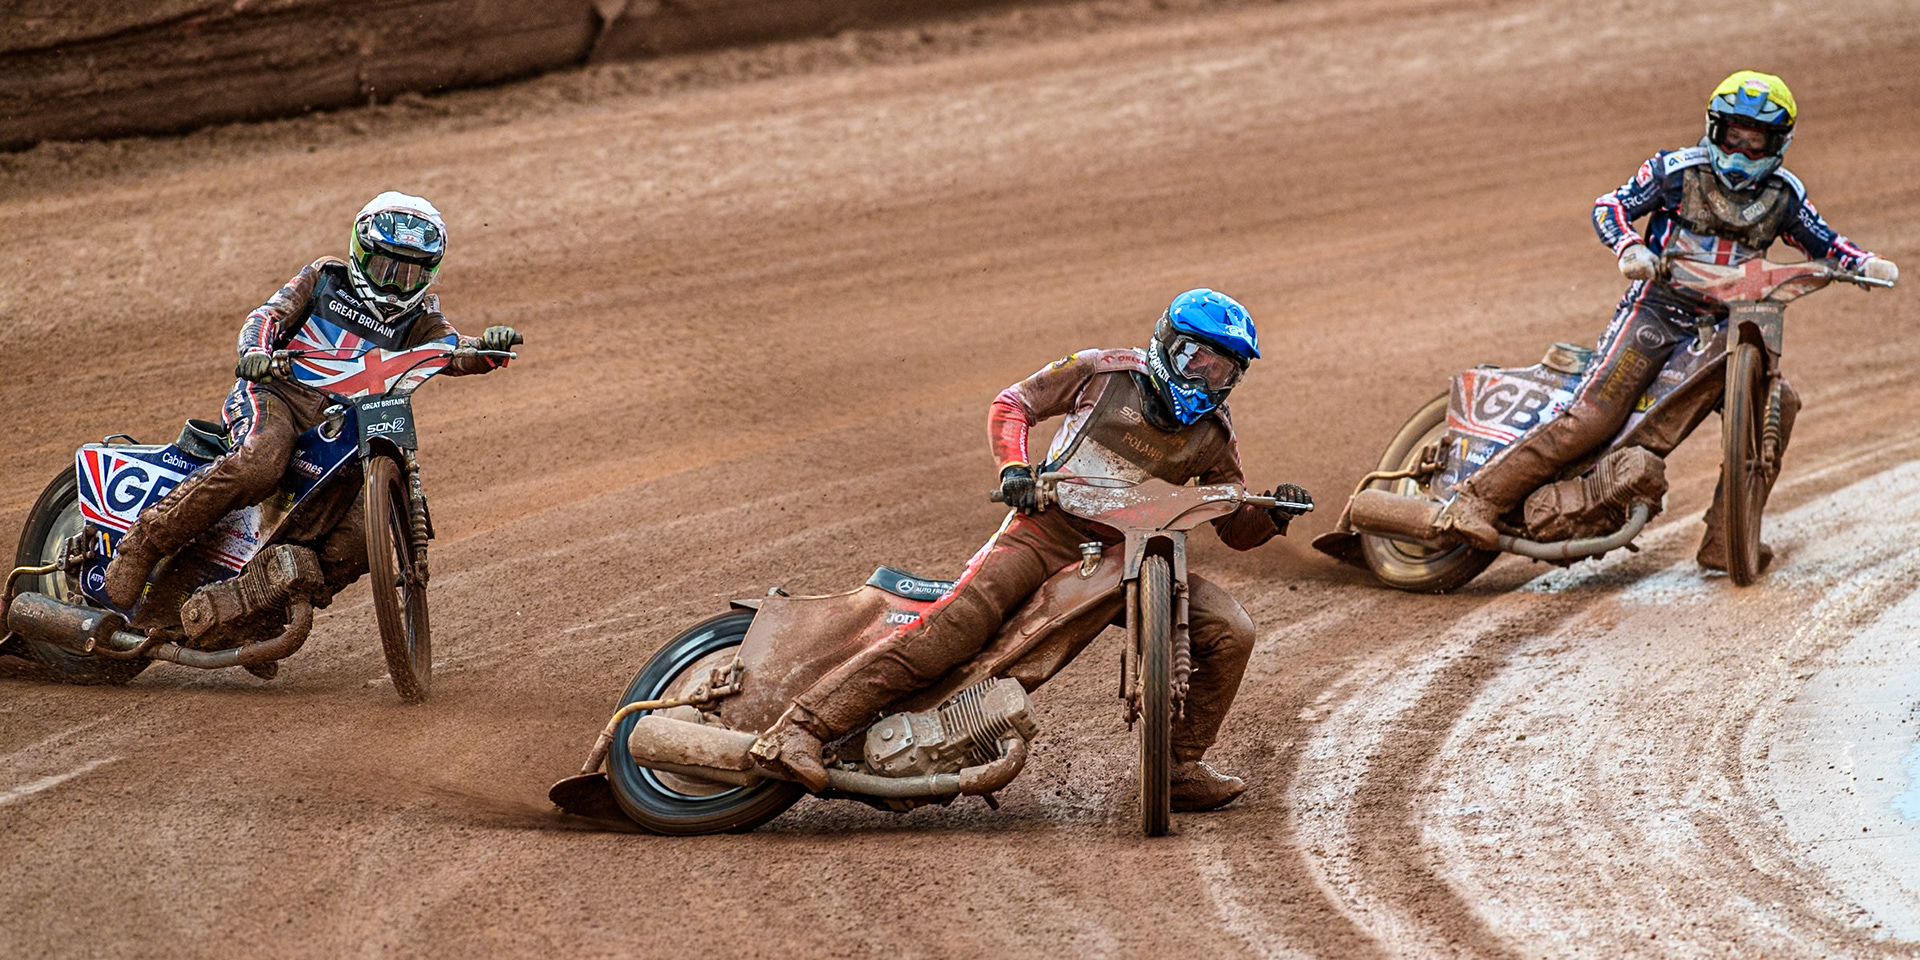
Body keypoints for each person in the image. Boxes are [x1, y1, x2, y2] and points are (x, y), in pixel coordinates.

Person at [750, 288, 1312, 811]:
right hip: (1047, 531)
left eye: (1222, 369)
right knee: (956, 627)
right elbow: (1012, 404)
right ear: (1166, 342)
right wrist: (1016, 467)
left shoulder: (1213, 431)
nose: (1205, 376)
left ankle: (1179, 767)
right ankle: (802, 728)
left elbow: (1234, 523)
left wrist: (1273, 515)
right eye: (1196, 357)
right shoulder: (1102, 371)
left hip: (1137, 556)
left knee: (1232, 631)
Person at [1444, 71, 1899, 570]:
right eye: (1734, 136)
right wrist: (1631, 247)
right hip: (1656, 309)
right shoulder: (1676, 171)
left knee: (1779, 402)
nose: (1742, 151)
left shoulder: (1785, 196)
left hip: (1732, 320)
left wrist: (1863, 264)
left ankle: (1727, 540)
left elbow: (1826, 241)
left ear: (1778, 142)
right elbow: (1609, 206)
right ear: (1715, 128)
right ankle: (1475, 499)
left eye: (1756, 141)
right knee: (1593, 418)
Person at [103, 192, 522, 609]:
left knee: (363, 538)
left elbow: (454, 351)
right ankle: (143, 542)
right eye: (384, 268)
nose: (394, 285)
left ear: (430, 274)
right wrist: (255, 353)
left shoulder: (422, 320)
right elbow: (266, 316)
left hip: (345, 433)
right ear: (361, 253)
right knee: (261, 461)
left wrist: (488, 348)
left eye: (409, 275)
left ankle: (258, 611)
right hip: (277, 395)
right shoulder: (325, 277)